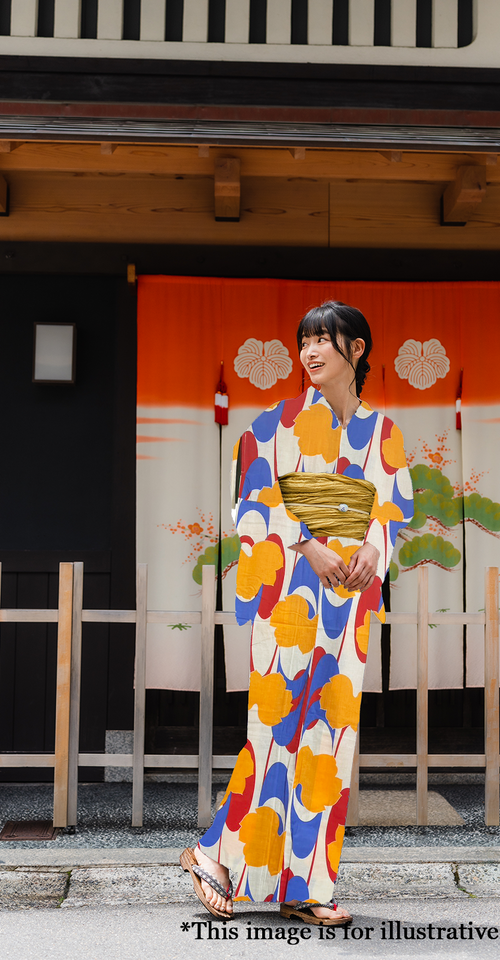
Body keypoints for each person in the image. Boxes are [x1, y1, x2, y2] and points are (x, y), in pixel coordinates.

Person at [180, 301, 414, 925]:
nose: (311, 352)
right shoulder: (272, 426)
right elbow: (255, 497)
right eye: (305, 340)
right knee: (275, 731)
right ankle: (215, 856)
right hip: (289, 597)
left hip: (345, 605)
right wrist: (308, 543)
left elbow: (395, 505)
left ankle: (304, 884)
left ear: (356, 350)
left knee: (328, 743)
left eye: (324, 340)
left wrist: (373, 545)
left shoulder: (383, 432)